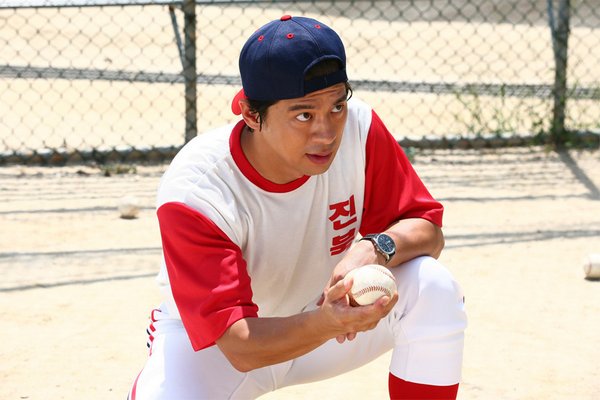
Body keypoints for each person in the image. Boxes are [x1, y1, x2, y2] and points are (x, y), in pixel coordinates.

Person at [128, 15, 467, 400]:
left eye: (336, 106)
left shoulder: (358, 127)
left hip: (323, 317)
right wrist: (326, 323)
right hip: (218, 351)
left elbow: (427, 229)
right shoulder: (199, 189)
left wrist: (374, 247)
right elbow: (239, 345)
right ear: (251, 114)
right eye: (304, 114)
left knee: (433, 287)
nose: (327, 132)